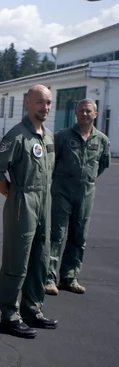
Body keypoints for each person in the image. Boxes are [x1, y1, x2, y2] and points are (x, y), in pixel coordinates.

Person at [0, 85, 59, 339]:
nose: (44, 107)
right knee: (17, 259)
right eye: (40, 102)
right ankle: (9, 315)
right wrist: (6, 187)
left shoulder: (48, 136)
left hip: (44, 200)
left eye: (48, 103)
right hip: (23, 200)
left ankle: (32, 309)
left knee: (41, 258)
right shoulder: (17, 135)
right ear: (27, 103)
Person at [45, 99, 111, 295]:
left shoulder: (101, 140)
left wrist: (86, 180)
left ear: (95, 114)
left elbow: (103, 164)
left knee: (79, 236)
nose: (84, 114)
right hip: (62, 191)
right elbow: (51, 162)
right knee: (56, 235)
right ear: (75, 113)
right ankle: (49, 278)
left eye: (88, 111)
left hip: (85, 193)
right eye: (81, 110)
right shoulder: (63, 137)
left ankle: (70, 277)